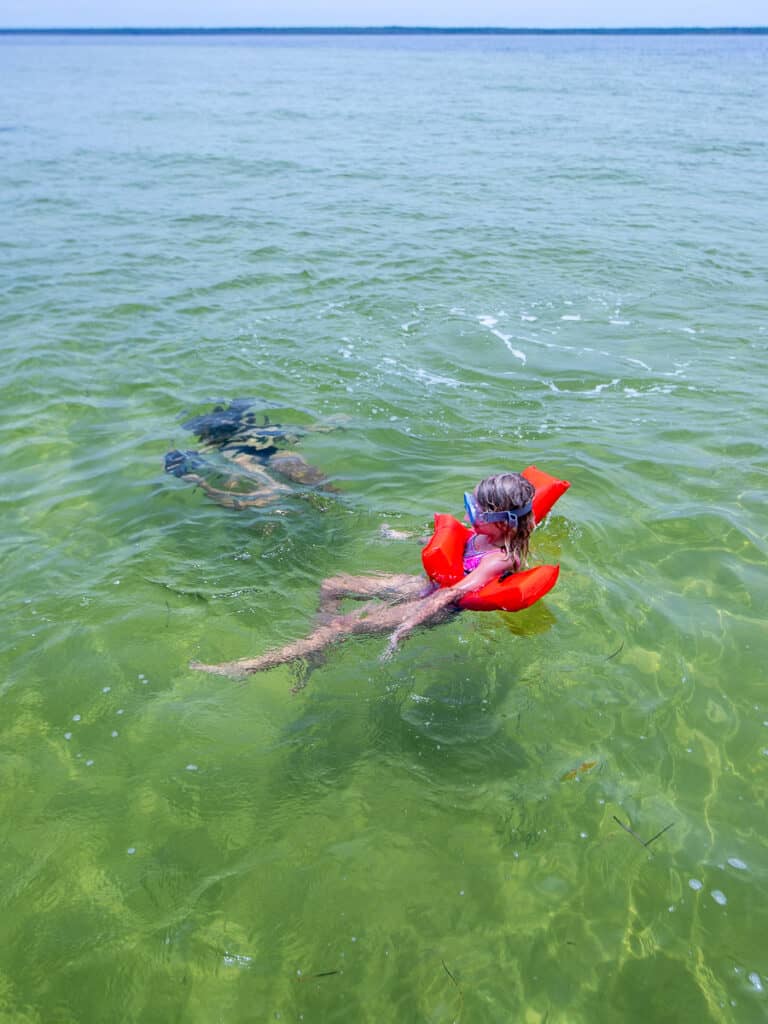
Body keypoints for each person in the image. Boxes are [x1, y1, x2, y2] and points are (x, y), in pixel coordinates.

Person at [190, 471, 536, 681]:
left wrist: (405, 628)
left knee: (342, 626)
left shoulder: (498, 560)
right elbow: (453, 539)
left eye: (476, 510)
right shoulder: (485, 533)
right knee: (333, 584)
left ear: (504, 521)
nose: (469, 513)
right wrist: (400, 536)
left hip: (437, 606)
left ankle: (248, 667)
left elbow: (453, 593)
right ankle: (318, 649)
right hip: (423, 586)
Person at [164, 399, 340, 509]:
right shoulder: (257, 432)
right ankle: (333, 500)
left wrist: (200, 482)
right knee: (292, 463)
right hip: (272, 451)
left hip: (248, 459)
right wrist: (319, 426)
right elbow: (293, 432)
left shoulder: (218, 449)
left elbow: (175, 463)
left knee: (239, 475)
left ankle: (270, 491)